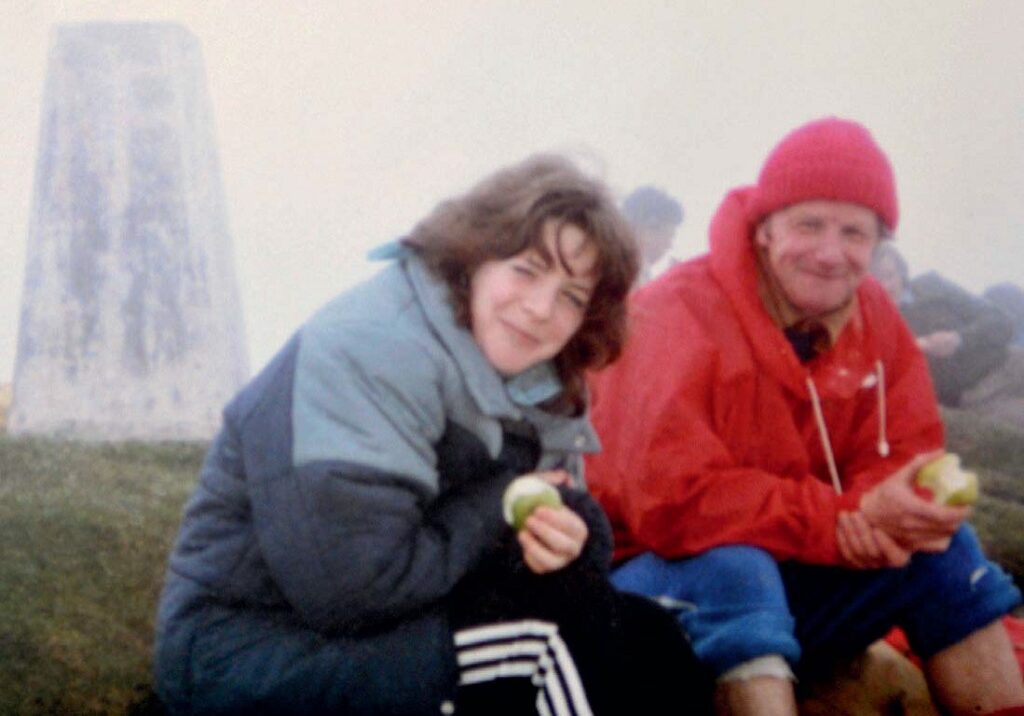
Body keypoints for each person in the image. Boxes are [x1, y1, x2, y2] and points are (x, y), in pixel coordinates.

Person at [154, 154, 711, 715]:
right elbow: (352, 591)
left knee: (651, 637)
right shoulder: (369, 351)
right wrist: (497, 509)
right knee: (546, 646)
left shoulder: (538, 379)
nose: (542, 309)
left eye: (572, 296)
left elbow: (559, 507)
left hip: (401, 616)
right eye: (527, 269)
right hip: (252, 646)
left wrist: (570, 540)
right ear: (474, 257)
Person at [585, 118, 1024, 716]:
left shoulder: (874, 317)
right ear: (765, 228)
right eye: (809, 224)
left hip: (790, 572)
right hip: (638, 592)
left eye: (854, 232)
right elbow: (672, 501)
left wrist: (893, 511)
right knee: (733, 569)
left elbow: (903, 450)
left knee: (945, 551)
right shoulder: (673, 313)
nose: (829, 252)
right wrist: (842, 517)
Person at [872, 243, 1024, 430]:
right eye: (875, 281)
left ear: (902, 272)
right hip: (977, 396)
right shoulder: (875, 328)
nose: (885, 286)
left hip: (1010, 360)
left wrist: (959, 339)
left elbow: (1001, 320)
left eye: (889, 275)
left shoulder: (932, 285)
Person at [621, 185, 684, 284]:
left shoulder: (641, 272)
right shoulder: (620, 271)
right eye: (663, 233)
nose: (668, 245)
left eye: (671, 237)